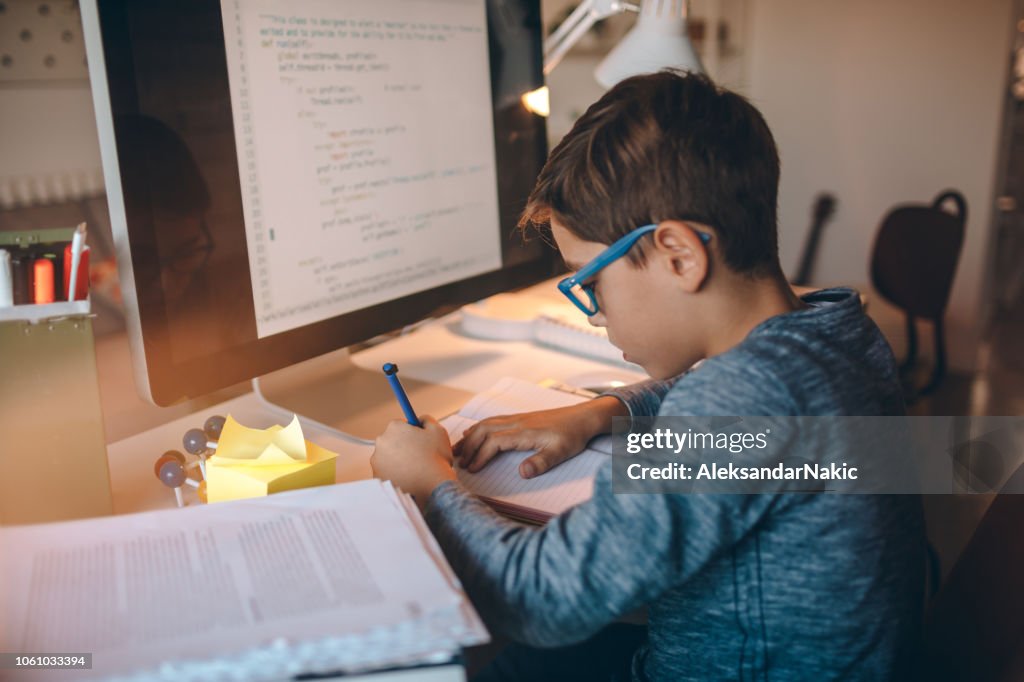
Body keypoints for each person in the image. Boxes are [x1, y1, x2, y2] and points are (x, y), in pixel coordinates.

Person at [371, 70, 925, 681]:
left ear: (679, 256)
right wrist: (605, 411)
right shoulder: (837, 328)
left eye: (588, 280)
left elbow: (542, 597)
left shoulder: (737, 400)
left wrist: (427, 484)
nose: (595, 309)